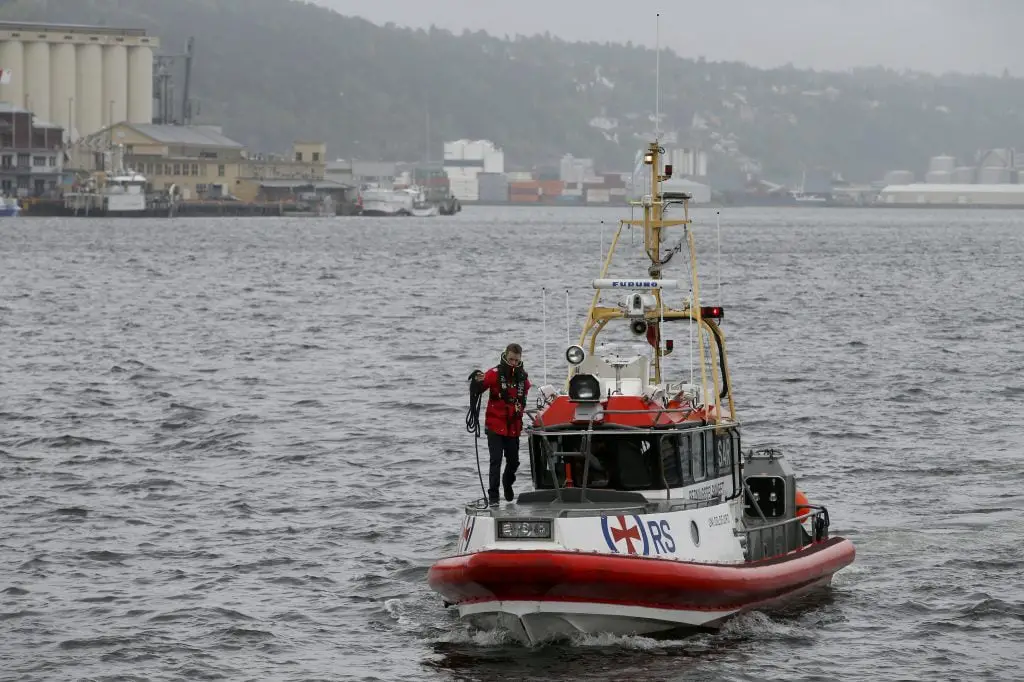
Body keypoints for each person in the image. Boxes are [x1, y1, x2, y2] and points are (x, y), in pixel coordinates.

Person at [471, 343, 531, 505]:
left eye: (516, 360)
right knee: (495, 460)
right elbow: (479, 387)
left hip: (513, 427)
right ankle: (494, 497)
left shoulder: (523, 379)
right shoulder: (494, 374)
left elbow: (523, 397)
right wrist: (476, 382)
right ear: (505, 355)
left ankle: (507, 482)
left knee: (514, 461)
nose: (513, 363)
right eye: (511, 359)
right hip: (495, 425)